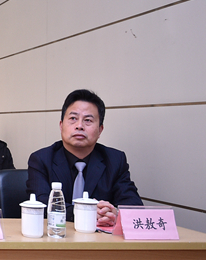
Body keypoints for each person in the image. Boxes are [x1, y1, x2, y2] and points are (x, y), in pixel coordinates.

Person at [26, 89, 142, 227]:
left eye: (88, 120)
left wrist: (114, 213)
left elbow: (133, 206)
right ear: (61, 125)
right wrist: (86, 213)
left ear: (100, 130)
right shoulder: (41, 159)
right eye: (73, 119)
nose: (79, 126)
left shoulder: (115, 160)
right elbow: (41, 203)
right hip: (57, 235)